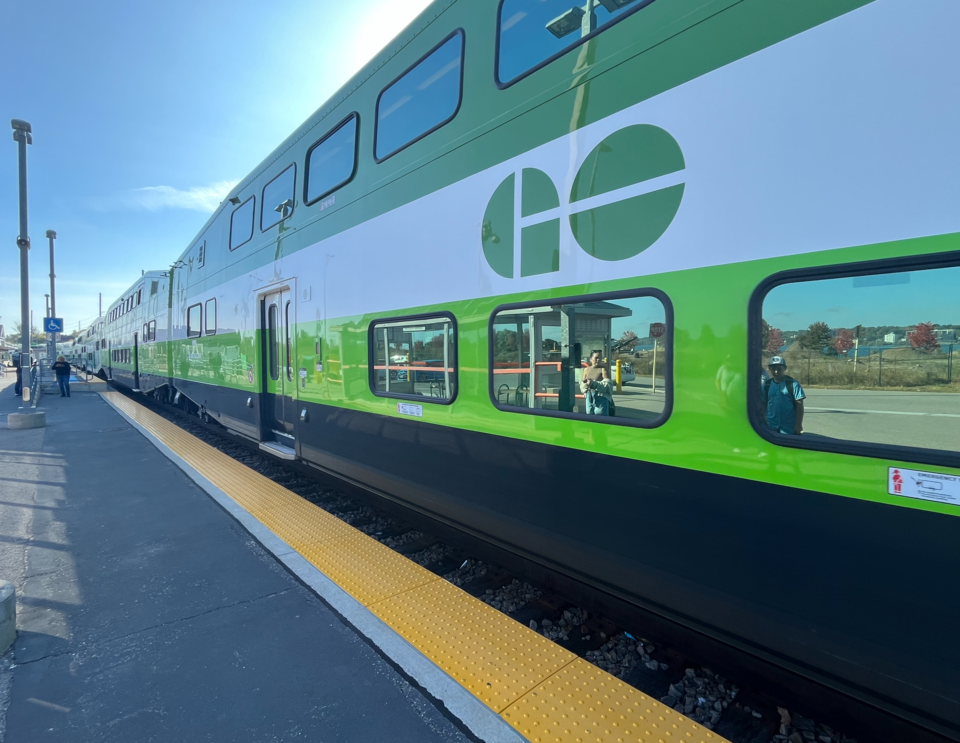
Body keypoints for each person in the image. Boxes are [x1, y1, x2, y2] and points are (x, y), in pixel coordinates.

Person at [763, 356, 804, 434]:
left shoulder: (793, 384)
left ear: (785, 368)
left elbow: (799, 405)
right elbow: (763, 403)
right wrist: (763, 420)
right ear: (769, 369)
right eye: (773, 369)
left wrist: (798, 424)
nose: (776, 372)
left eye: (779, 369)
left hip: (789, 427)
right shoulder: (766, 385)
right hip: (771, 425)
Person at [580, 349, 612, 416]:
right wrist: (585, 385)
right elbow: (582, 386)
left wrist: (593, 383)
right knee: (589, 418)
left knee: (600, 418)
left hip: (601, 398)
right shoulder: (586, 370)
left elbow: (608, 386)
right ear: (591, 359)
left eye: (600, 358)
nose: (598, 360)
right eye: (596, 358)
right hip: (589, 397)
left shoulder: (603, 369)